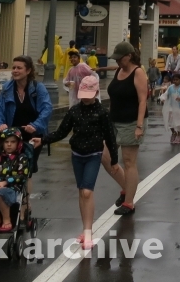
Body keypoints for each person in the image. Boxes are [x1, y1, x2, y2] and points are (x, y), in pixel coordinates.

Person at [33, 75, 119, 249]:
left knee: (87, 191)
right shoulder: (74, 111)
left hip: (94, 154)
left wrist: (114, 160)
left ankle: (88, 232)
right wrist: (43, 140)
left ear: (95, 92)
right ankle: (85, 228)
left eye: (89, 93)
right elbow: (62, 132)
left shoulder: (102, 112)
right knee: (81, 191)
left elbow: (110, 137)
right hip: (77, 155)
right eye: (83, 93)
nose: (85, 97)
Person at [106, 42, 148, 216]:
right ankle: (126, 188)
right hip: (113, 121)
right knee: (105, 156)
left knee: (129, 161)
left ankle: (129, 202)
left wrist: (139, 126)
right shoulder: (118, 71)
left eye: (120, 58)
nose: (117, 62)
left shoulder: (138, 72)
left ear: (129, 56)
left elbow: (142, 100)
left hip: (131, 122)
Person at [0, 56, 53, 175]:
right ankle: (13, 193)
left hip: (33, 137)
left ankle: (26, 194)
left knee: (27, 170)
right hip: (12, 137)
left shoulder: (38, 88)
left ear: (28, 70)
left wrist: (35, 126)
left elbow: (47, 109)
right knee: (10, 169)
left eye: (19, 68)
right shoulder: (7, 89)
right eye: (14, 67)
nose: (15, 70)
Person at [164, 71, 180, 144]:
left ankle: (178, 135)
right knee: (170, 122)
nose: (175, 81)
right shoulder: (170, 88)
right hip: (171, 107)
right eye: (174, 80)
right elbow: (166, 94)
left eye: (177, 80)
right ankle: (173, 133)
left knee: (178, 123)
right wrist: (163, 98)